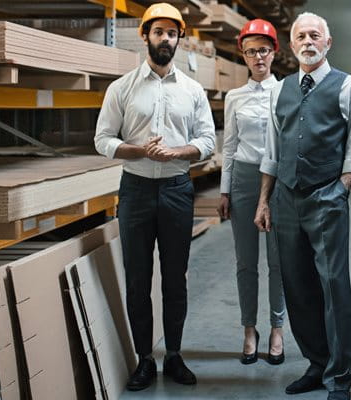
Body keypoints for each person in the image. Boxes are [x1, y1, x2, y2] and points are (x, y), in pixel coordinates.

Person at [93, 2, 215, 391]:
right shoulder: (122, 88)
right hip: (136, 190)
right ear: (145, 35)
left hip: (178, 189)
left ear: (180, 39)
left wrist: (178, 153)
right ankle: (144, 359)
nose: (166, 39)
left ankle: (175, 355)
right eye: (158, 31)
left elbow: (208, 141)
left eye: (172, 33)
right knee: (137, 278)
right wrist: (138, 150)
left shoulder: (193, 90)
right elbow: (102, 140)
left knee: (175, 277)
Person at [253, 12, 351, 400]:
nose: (308, 41)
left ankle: (340, 376)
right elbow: (271, 150)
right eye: (301, 36)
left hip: (326, 195)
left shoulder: (347, 86)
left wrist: (340, 190)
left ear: (328, 42)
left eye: (315, 35)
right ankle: (317, 364)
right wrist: (265, 201)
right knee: (297, 285)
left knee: (333, 285)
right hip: (285, 198)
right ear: (291, 46)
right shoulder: (279, 89)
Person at [219, 18, 286, 366]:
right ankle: (249, 328)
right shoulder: (234, 97)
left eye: (263, 50)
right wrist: (224, 191)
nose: (258, 57)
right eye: (250, 51)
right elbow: (229, 146)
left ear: (274, 52)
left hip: (277, 182)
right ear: (243, 55)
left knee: (277, 260)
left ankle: (277, 327)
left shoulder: (287, 91)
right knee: (246, 261)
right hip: (244, 180)